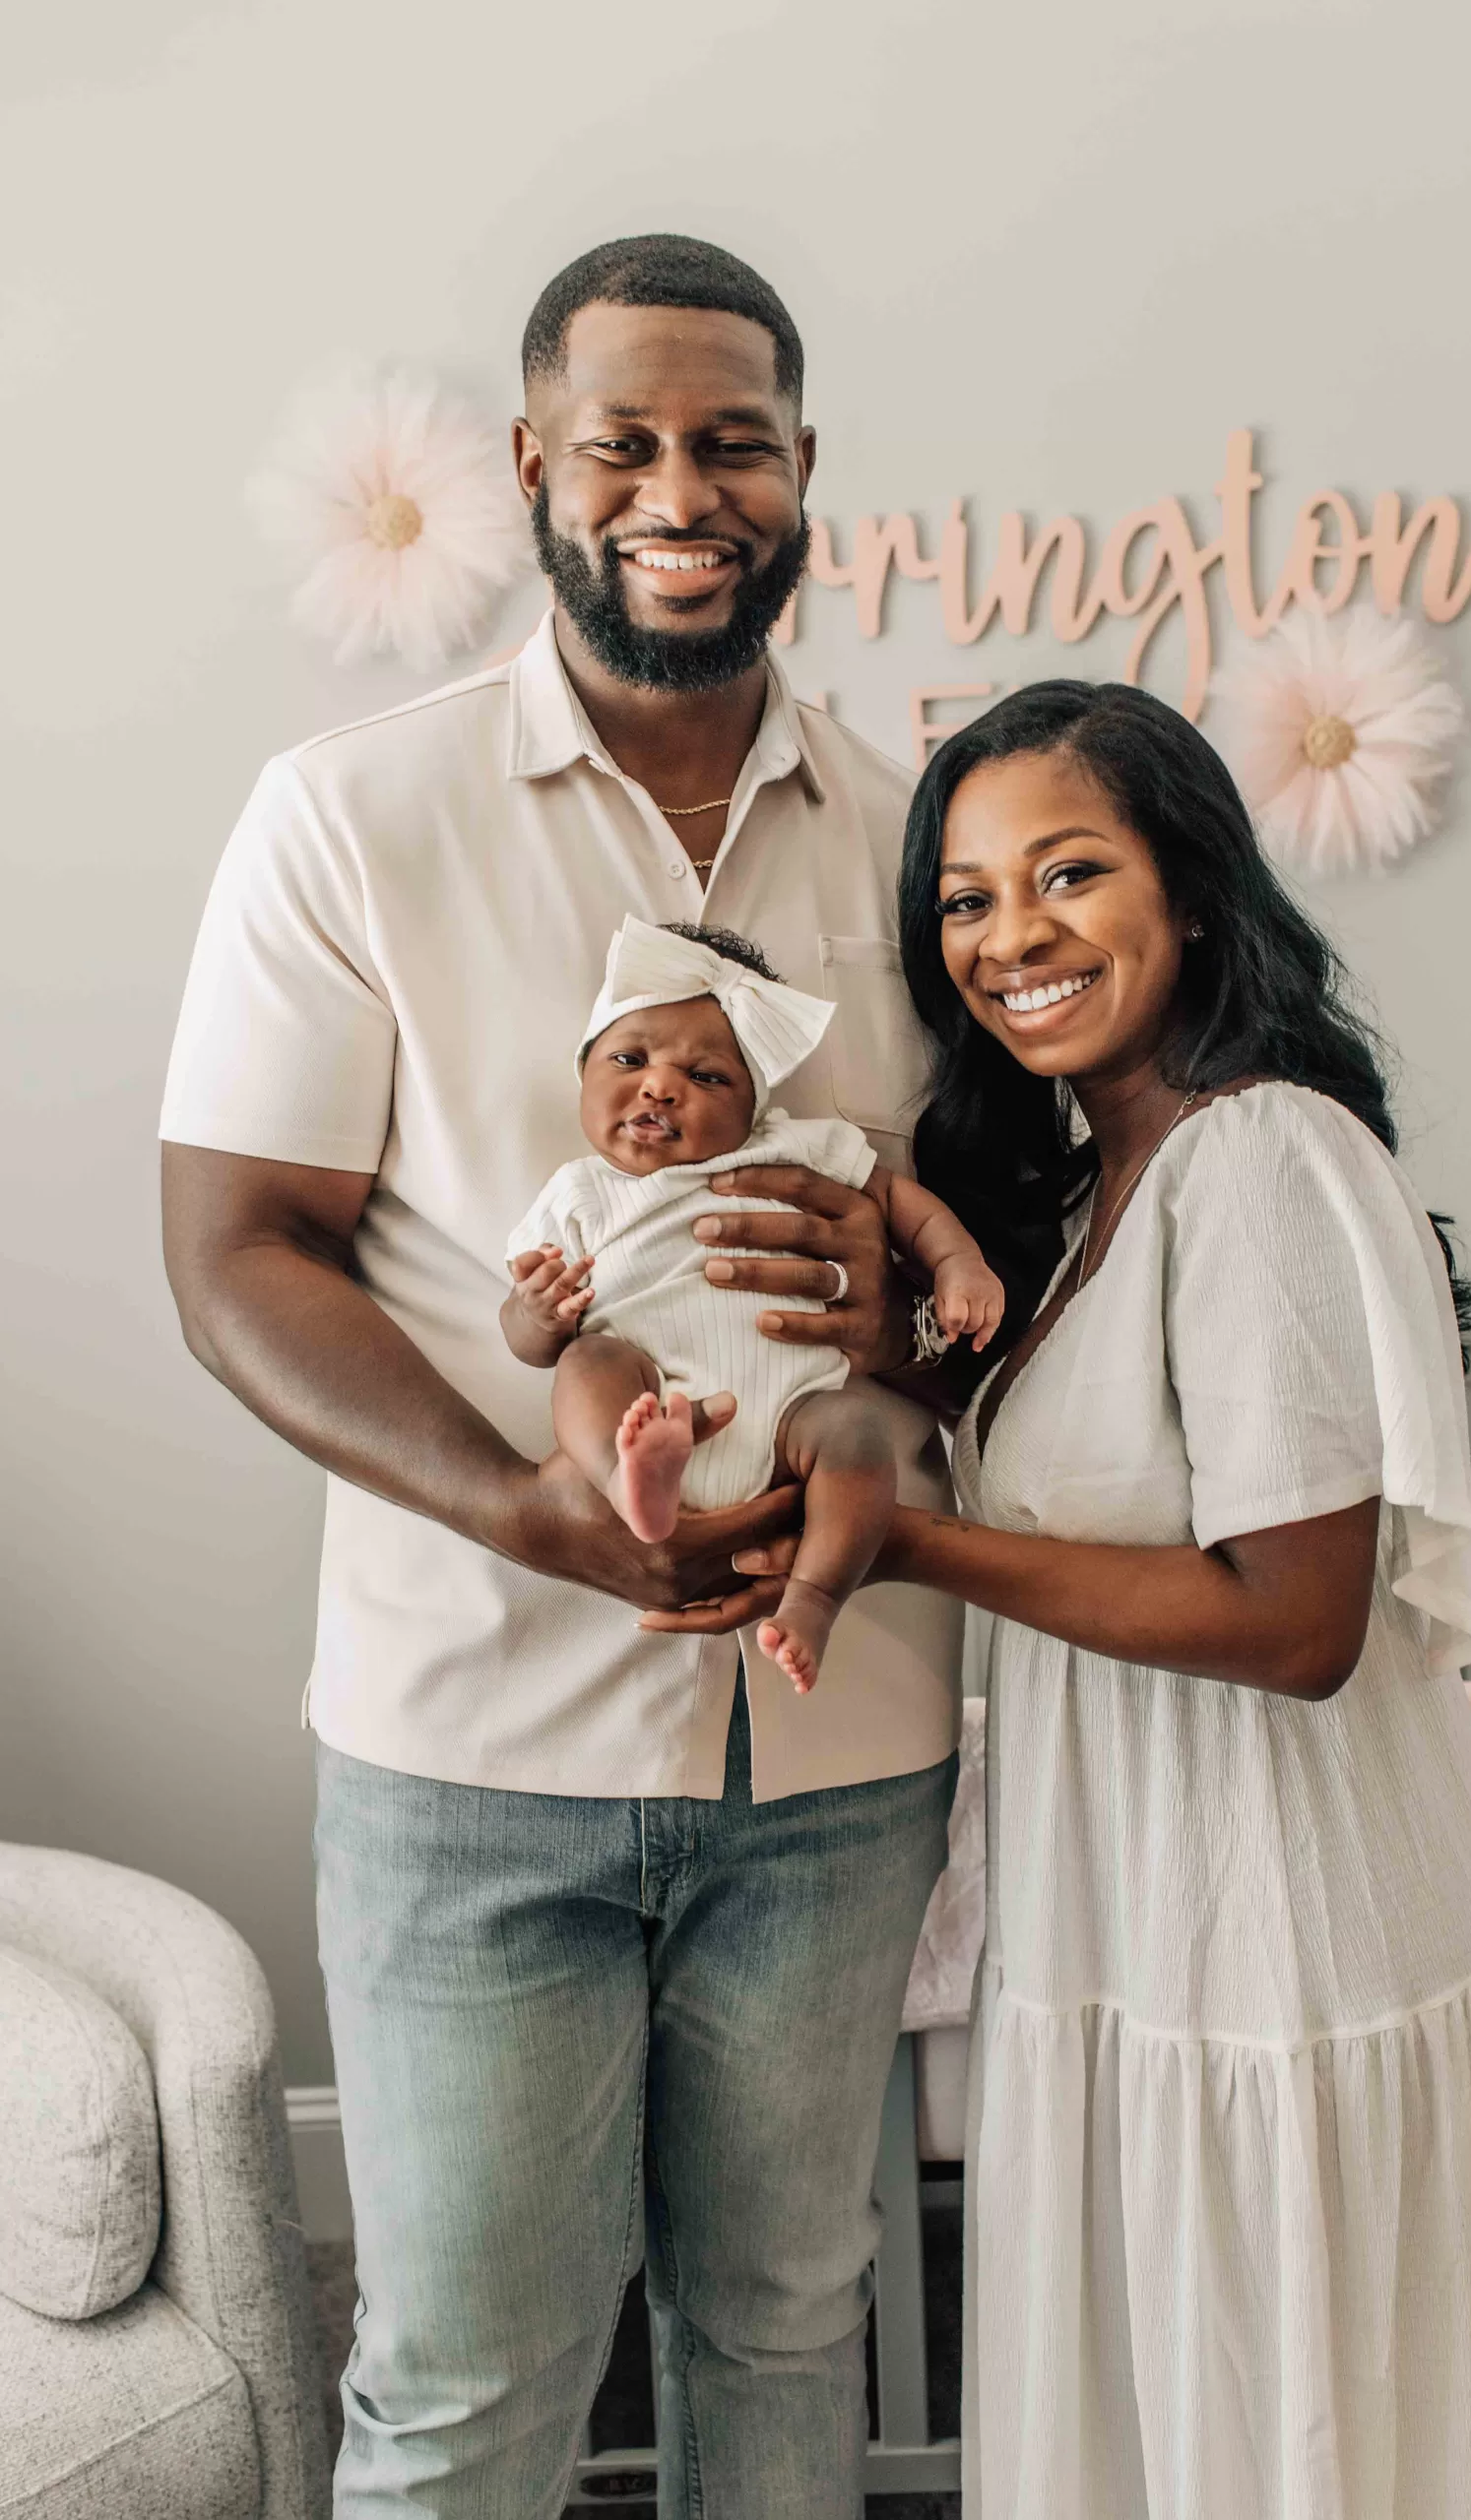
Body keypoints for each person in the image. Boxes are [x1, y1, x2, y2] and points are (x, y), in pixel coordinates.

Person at [159, 233, 962, 2519]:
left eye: (734, 440)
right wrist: (518, 1500)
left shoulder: (925, 843)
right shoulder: (351, 818)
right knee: (472, 2386)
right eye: (622, 441)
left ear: (808, 473)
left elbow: (991, 1275)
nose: (678, 488)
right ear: (536, 466)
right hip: (470, 1744)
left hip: (841, 1741)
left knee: (791, 2327)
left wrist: (894, 1351)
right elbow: (236, 1249)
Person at [728, 678, 1471, 2515]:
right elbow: (1114, 1475)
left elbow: (1291, 1624)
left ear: (1188, 890)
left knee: (1283, 2438)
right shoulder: (1088, 1188)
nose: (1007, 936)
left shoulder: (1260, 1155)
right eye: (963, 899)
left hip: (1279, 1952)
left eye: (1065, 873)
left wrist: (907, 1544)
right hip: (1144, 1934)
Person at [501, 914, 1003, 1687]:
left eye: (706, 1078)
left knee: (858, 1437)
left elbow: (903, 1201)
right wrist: (536, 1318)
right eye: (629, 1059)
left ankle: (812, 1598)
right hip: (648, 1389)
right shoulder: (581, 1193)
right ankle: (628, 1479)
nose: (661, 1084)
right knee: (586, 1362)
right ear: (584, 1076)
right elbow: (526, 1338)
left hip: (791, 1413)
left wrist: (957, 1263)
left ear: (753, 1109)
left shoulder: (793, 1146)